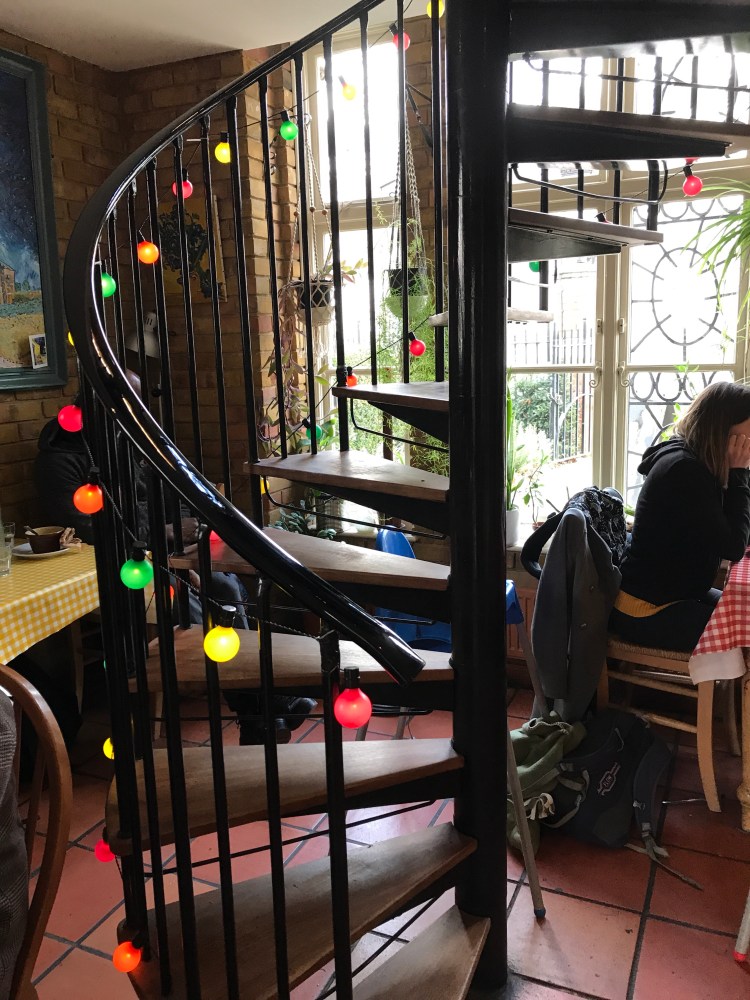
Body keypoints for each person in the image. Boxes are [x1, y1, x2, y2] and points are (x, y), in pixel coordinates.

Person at [33, 377, 315, 744]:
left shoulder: (128, 441)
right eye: (125, 400)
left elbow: (171, 492)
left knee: (227, 585)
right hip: (114, 565)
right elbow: (83, 526)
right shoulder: (59, 460)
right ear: (94, 403)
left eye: (137, 399)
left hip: (154, 552)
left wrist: (187, 529)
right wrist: (164, 530)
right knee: (194, 607)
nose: (136, 409)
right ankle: (261, 704)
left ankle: (257, 707)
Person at [610, 381, 750, 651]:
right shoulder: (685, 471)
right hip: (647, 608)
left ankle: (723, 692)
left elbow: (735, 529)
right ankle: (720, 692)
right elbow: (733, 546)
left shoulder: (695, 461)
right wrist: (739, 472)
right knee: (741, 635)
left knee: (742, 612)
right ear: (724, 427)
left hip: (675, 594)